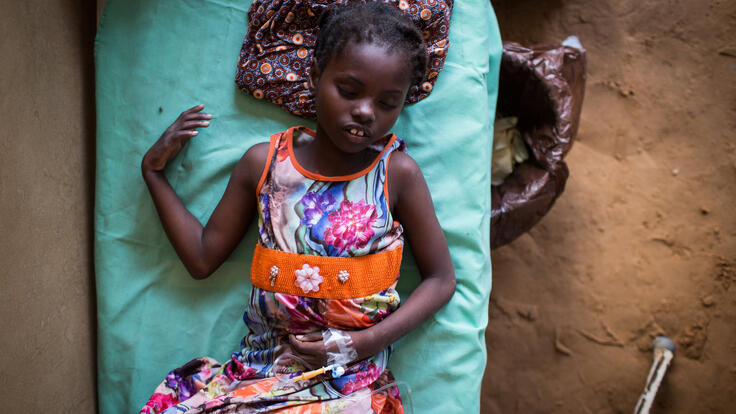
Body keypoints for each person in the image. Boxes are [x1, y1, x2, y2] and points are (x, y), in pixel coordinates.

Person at [139, 3, 455, 413]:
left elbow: (441, 280)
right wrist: (154, 175)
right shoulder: (263, 164)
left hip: (351, 385)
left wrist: (364, 344)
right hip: (261, 377)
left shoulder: (398, 175)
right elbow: (201, 258)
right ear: (314, 76)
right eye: (349, 90)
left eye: (387, 103)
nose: (365, 111)